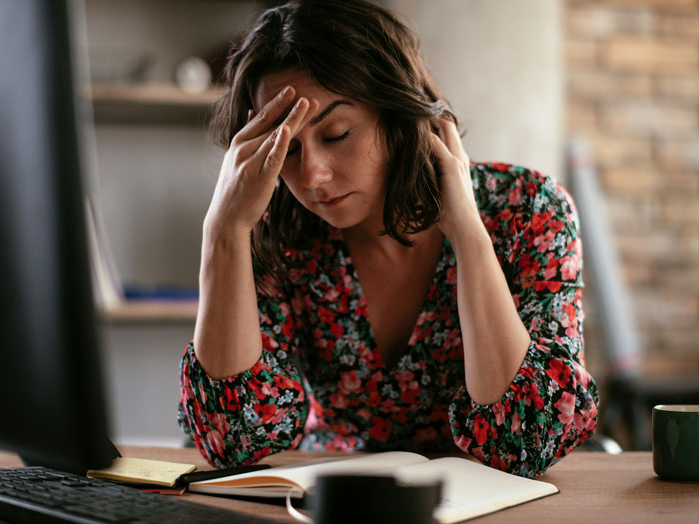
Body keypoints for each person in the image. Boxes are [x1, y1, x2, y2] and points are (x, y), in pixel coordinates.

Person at [178, 0, 598, 478]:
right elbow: (232, 442)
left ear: (400, 117)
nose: (312, 175)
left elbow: (524, 442)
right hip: (330, 496)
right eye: (286, 147)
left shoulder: (528, 211)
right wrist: (222, 234)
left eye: (336, 134)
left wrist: (467, 234)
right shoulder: (275, 231)